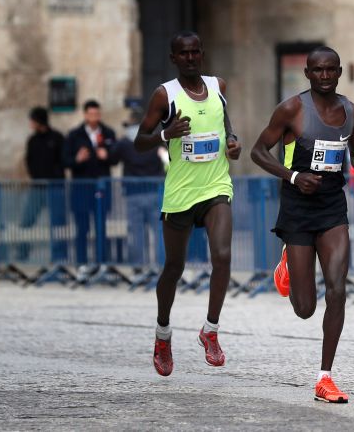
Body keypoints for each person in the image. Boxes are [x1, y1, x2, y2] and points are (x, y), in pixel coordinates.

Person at [250, 46, 354, 404]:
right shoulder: (292, 109)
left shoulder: (351, 111)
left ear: (338, 72)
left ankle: (325, 377)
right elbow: (258, 151)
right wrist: (293, 176)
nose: (325, 76)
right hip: (298, 209)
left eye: (331, 70)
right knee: (305, 308)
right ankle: (288, 260)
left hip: (333, 208)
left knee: (338, 289)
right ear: (307, 73)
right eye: (318, 70)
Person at [135, 30, 241, 377]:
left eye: (196, 52)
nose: (191, 58)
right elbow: (139, 141)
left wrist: (233, 142)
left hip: (215, 185)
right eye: (184, 53)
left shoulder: (218, 86)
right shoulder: (165, 95)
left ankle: (210, 330)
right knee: (174, 268)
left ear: (202, 53)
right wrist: (166, 134)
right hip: (181, 192)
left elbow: (224, 123)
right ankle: (163, 334)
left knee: (223, 256)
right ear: (174, 58)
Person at [109, 108, 167, 266]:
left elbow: (112, 159)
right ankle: (161, 266)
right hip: (154, 191)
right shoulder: (155, 141)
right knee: (159, 233)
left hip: (133, 193)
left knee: (136, 234)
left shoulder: (124, 143)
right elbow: (167, 161)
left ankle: (138, 266)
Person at [63, 100, 117, 265]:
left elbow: (115, 158)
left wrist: (106, 156)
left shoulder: (108, 133)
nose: (94, 117)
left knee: (101, 227)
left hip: (101, 188)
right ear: (85, 114)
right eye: (91, 114)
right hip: (82, 188)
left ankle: (102, 262)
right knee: (82, 228)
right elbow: (65, 160)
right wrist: (77, 159)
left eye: (97, 114)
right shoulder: (74, 135)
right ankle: (82, 263)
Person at [21, 107, 66, 260]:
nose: (31, 124)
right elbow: (28, 160)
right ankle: (22, 254)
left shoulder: (57, 138)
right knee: (26, 222)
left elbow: (63, 160)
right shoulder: (32, 140)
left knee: (57, 223)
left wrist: (55, 175)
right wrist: (35, 176)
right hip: (37, 187)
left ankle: (59, 257)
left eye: (33, 120)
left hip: (55, 187)